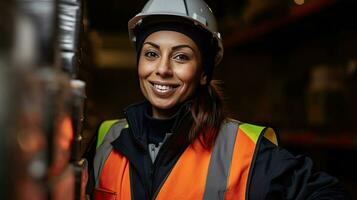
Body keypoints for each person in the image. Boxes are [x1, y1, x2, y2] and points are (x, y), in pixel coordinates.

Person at [91, 0, 349, 199]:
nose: (163, 69)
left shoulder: (242, 151)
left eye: (181, 56)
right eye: (150, 54)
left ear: (204, 73)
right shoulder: (107, 139)